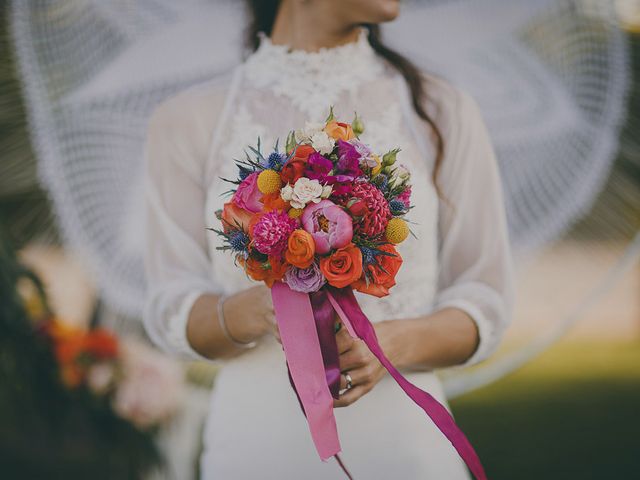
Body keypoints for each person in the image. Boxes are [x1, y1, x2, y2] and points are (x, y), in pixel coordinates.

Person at [142, 0, 515, 478]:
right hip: (255, 451)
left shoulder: (441, 112)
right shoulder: (187, 120)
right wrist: (265, 308)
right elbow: (170, 306)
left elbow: (485, 300)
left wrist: (391, 344)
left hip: (405, 453)